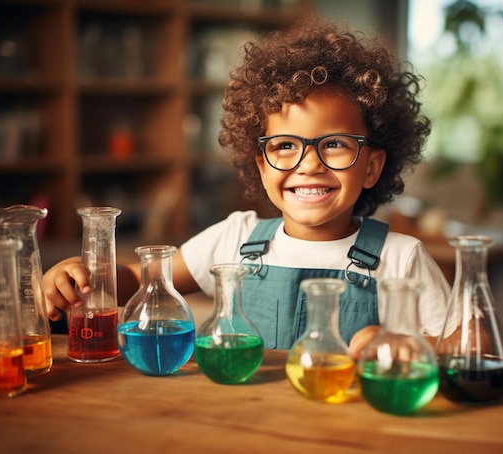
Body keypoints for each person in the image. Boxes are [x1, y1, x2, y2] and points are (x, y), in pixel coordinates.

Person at [43, 18, 450, 358]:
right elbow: (137, 278)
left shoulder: (401, 258)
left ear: (372, 167)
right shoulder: (235, 238)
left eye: (336, 144)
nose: (309, 164)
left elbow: (472, 342)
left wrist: (405, 343)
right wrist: (84, 277)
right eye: (285, 146)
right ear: (260, 165)